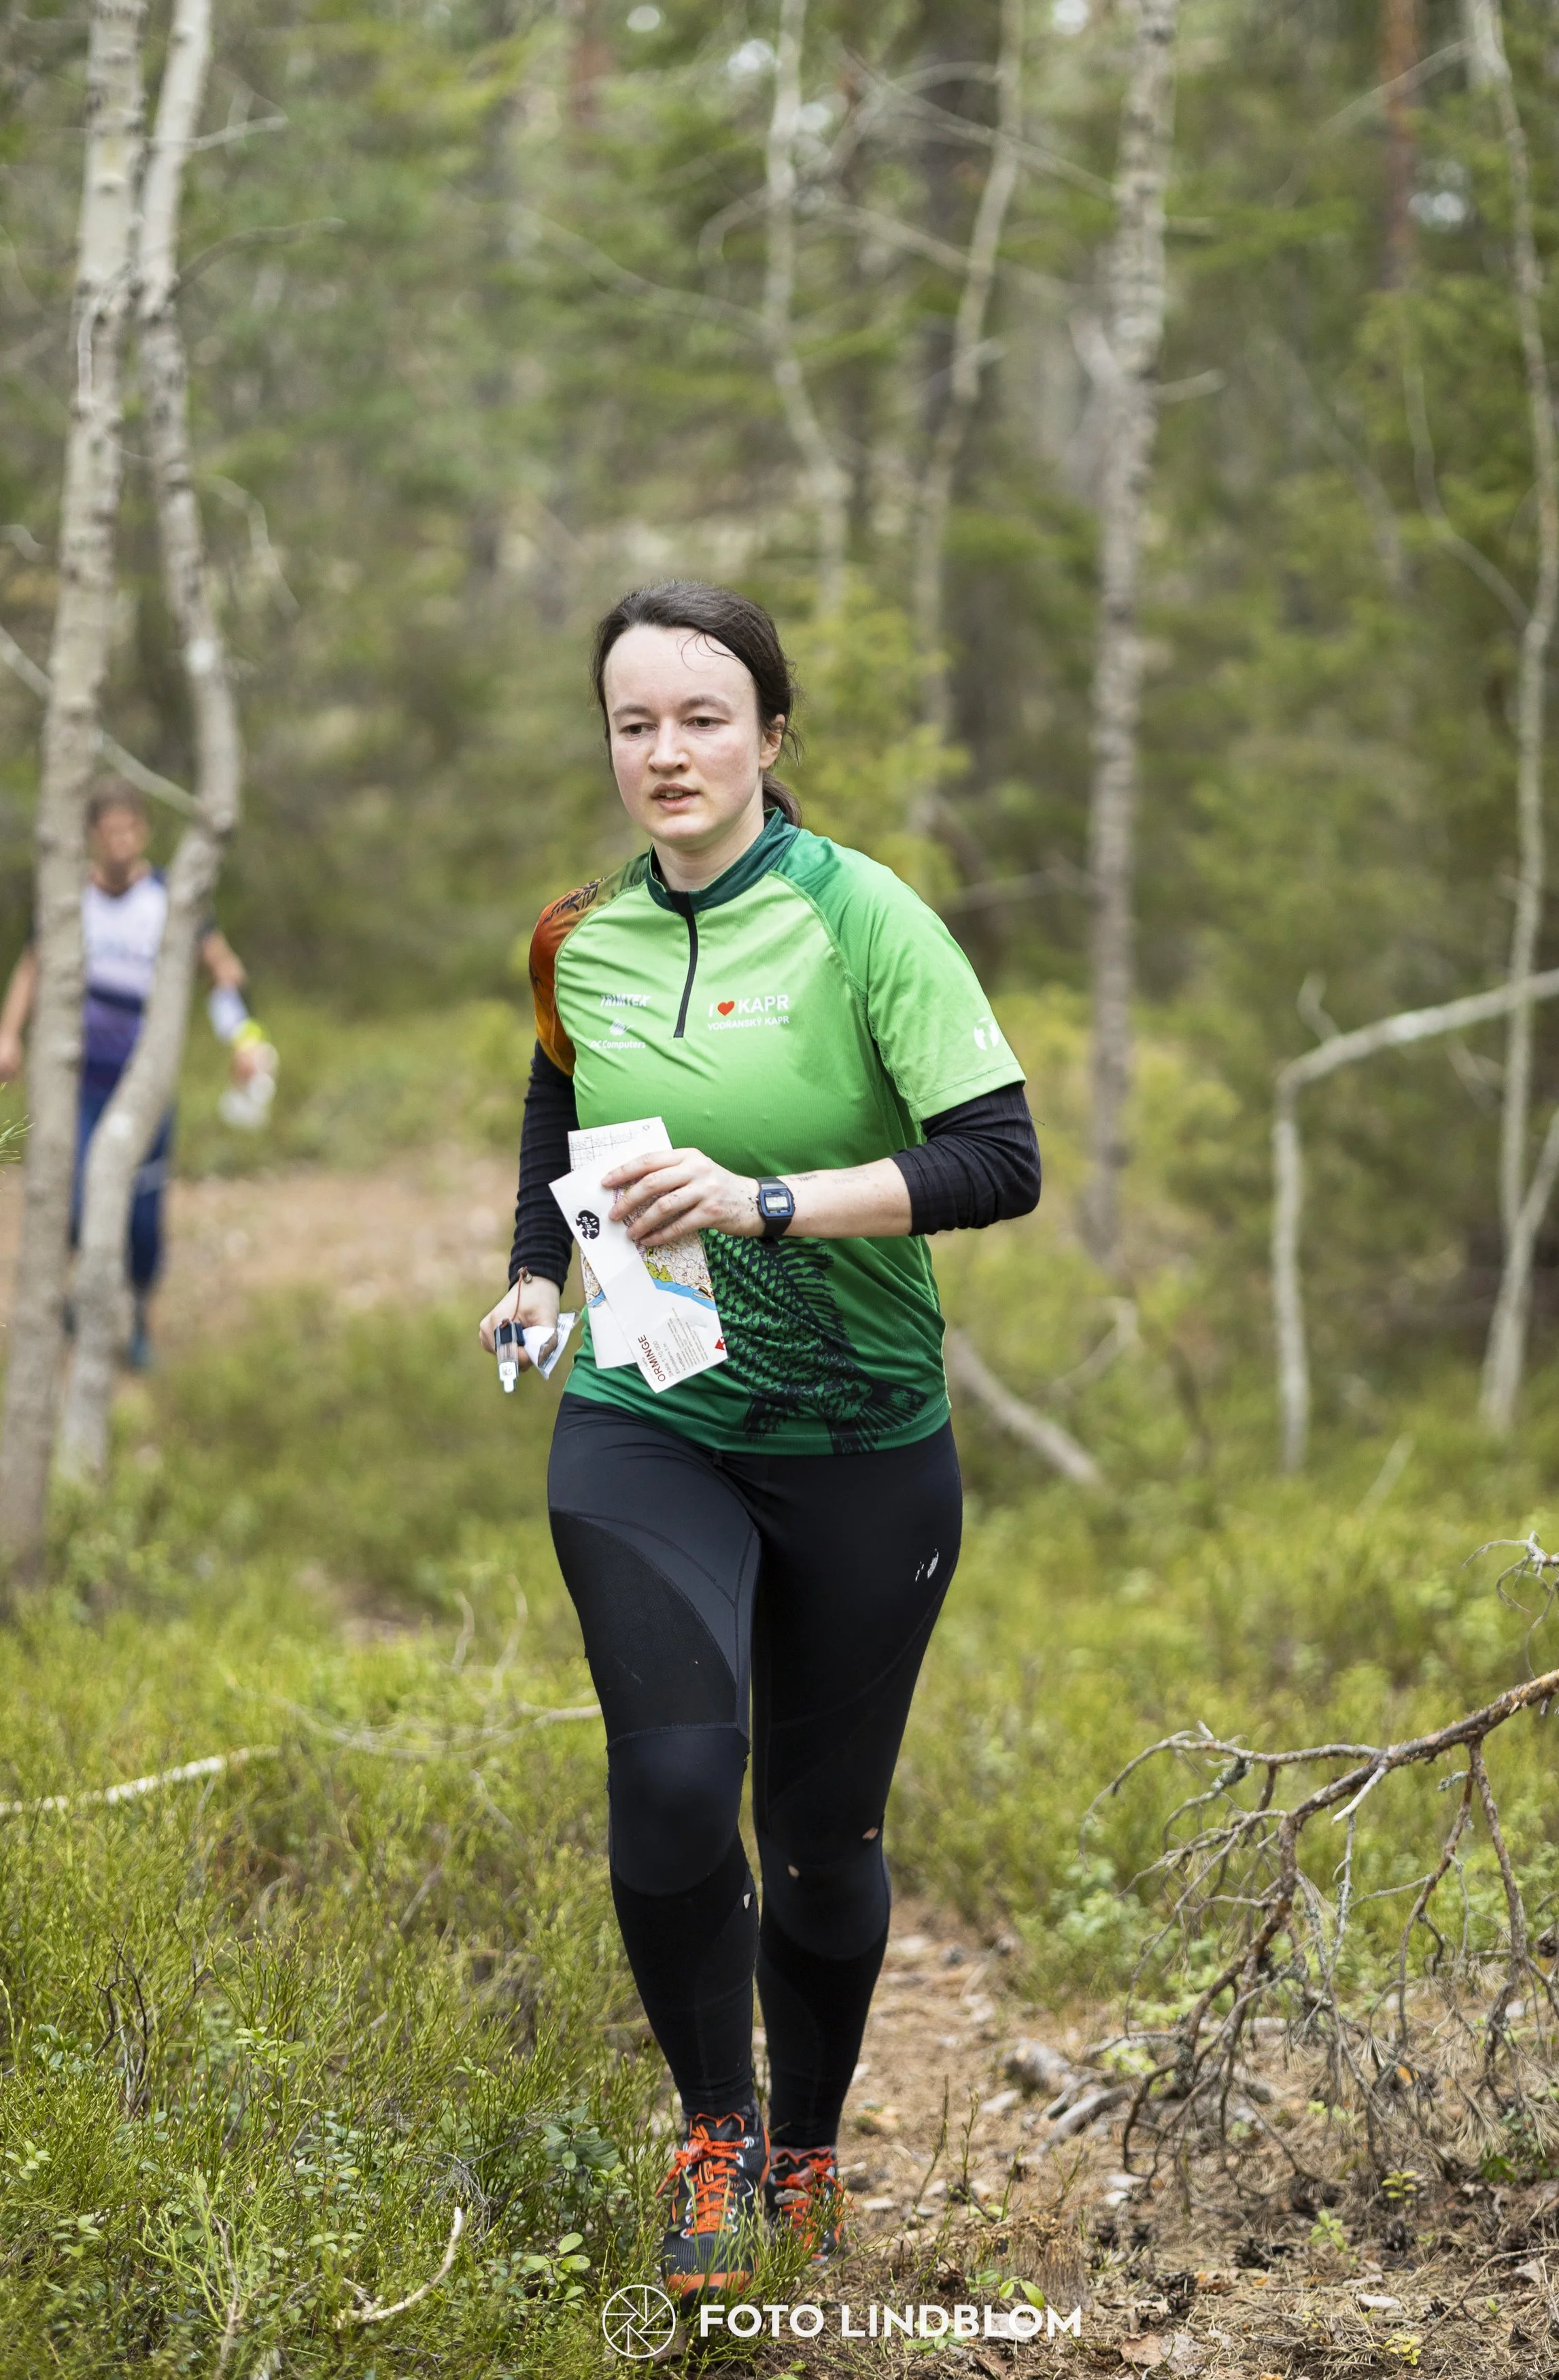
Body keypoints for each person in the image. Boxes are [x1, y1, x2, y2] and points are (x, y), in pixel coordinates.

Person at [479, 581, 1042, 2298]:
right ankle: (716, 2137)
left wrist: (766, 1201)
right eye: (635, 722)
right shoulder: (584, 935)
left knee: (818, 1840)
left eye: (703, 717)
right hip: (652, 1414)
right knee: (665, 1781)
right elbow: (556, 1099)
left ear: (770, 737)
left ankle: (808, 2153)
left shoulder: (865, 921)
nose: (668, 751)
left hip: (866, 1440)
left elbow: (999, 1161)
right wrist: (529, 1274)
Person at [0, 779, 265, 1368]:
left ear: (143, 831)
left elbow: (222, 971)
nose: (120, 843)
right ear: (93, 836)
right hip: (80, 1081)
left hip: (145, 1083)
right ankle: (81, 1300)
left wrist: (246, 1039)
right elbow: (32, 964)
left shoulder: (172, 899)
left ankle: (141, 1315)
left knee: (142, 1219)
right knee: (73, 1200)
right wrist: (8, 1033)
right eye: (108, 831)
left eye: (129, 830)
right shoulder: (70, 898)